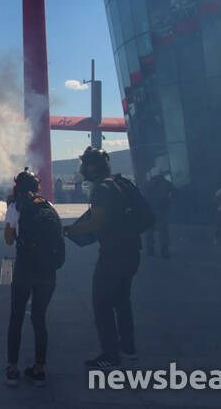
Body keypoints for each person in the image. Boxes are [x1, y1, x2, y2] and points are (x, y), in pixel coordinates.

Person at [63, 147, 144, 369]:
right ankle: (128, 348)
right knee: (122, 300)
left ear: (91, 167)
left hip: (114, 256)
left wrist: (69, 230)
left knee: (102, 304)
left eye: (83, 165)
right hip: (132, 252)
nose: (81, 169)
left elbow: (96, 223)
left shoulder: (101, 190)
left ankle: (110, 355)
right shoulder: (121, 183)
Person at [3, 168, 64, 387]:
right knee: (39, 319)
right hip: (47, 272)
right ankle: (39, 369)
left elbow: (9, 240)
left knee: (16, 318)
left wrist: (10, 216)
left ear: (17, 187)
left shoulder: (15, 207)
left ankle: (12, 368)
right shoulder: (48, 206)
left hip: (24, 269)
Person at [145, 167, 176, 258]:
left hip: (150, 211)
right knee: (163, 232)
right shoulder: (166, 183)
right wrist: (169, 201)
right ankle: (164, 252)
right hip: (163, 210)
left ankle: (150, 251)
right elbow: (174, 192)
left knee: (150, 232)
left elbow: (143, 197)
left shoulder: (148, 184)